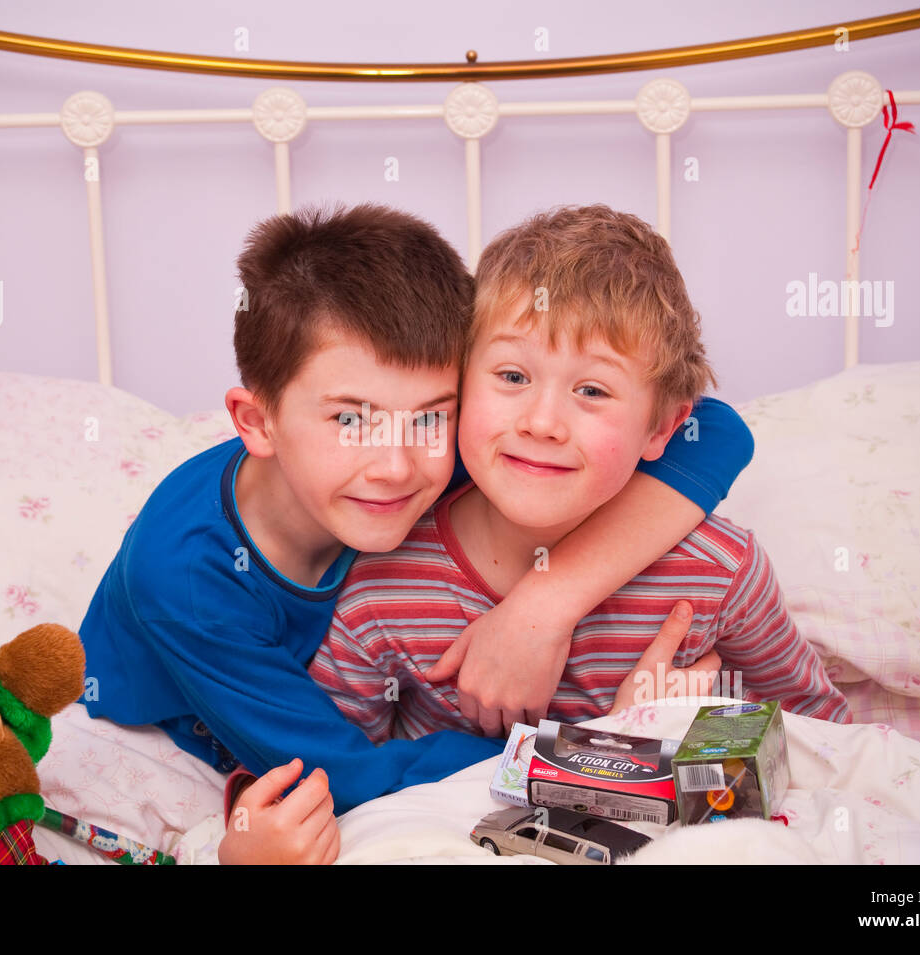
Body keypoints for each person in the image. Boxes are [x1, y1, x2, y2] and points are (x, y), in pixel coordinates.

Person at [75, 203, 754, 865]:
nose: (396, 466)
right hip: (186, 737)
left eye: (433, 415)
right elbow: (346, 779)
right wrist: (599, 741)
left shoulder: (461, 438)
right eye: (349, 420)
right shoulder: (188, 580)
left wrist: (545, 603)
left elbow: (714, 430)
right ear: (257, 422)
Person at [310, 204, 850, 757]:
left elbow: (826, 743)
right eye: (512, 376)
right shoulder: (380, 584)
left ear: (662, 428)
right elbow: (339, 778)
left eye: (592, 391)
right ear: (458, 383)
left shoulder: (719, 577)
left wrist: (675, 733)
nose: (542, 423)